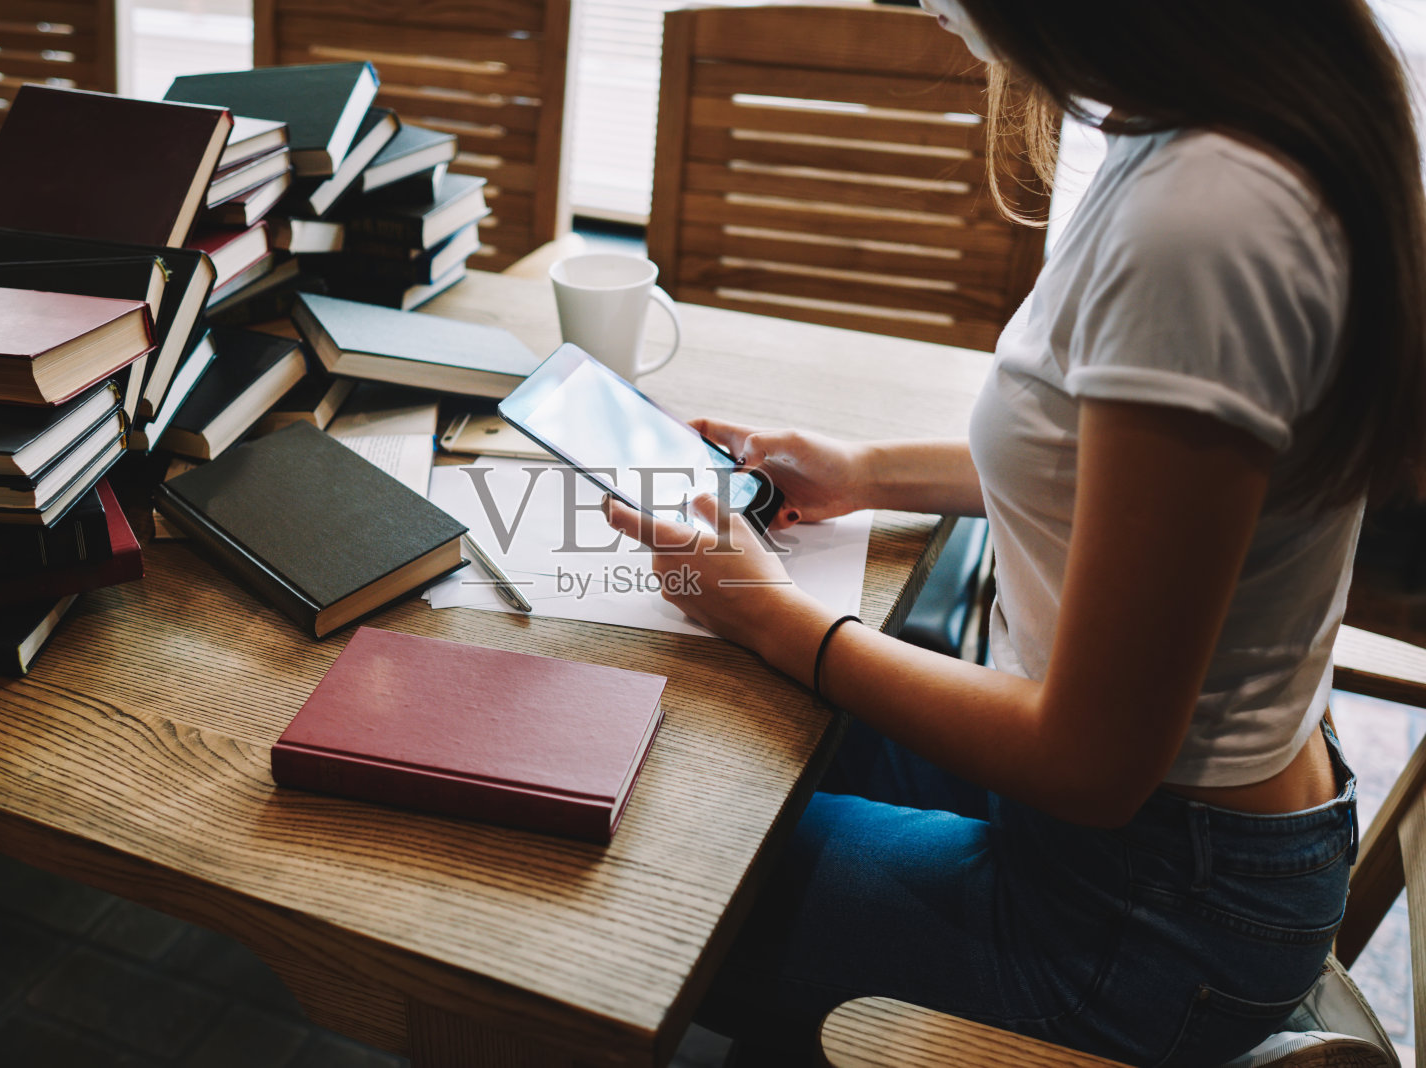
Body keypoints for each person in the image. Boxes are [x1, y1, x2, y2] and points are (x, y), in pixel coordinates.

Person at [602, 1, 1426, 1065]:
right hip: (1177, 844)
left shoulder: (1204, 225)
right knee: (699, 730)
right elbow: (1123, 480)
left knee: (639, 852)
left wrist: (771, 616)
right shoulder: (1219, 129)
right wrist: (865, 473)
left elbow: (1091, 762)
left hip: (1135, 916)